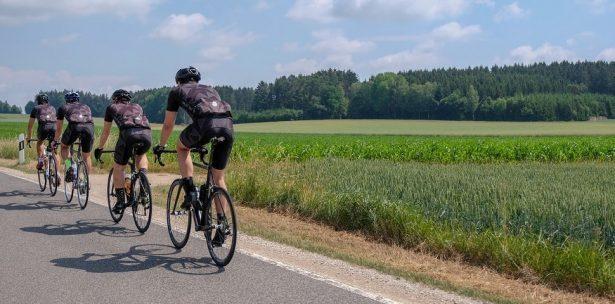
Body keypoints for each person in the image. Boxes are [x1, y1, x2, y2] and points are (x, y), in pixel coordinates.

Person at [153, 66, 233, 245]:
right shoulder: (211, 89)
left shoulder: (176, 91)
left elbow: (168, 125)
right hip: (227, 126)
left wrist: (161, 145)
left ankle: (190, 190)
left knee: (182, 148)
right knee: (218, 178)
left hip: (205, 126)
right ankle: (222, 226)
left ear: (178, 81)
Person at [94, 89, 152, 213]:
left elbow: (106, 132)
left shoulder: (111, 107)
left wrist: (100, 147)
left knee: (119, 168)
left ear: (115, 99)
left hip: (128, 134)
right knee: (141, 155)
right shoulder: (137, 106)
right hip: (147, 134)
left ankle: (120, 202)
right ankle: (144, 184)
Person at [53, 92, 95, 183]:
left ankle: (70, 167)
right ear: (77, 99)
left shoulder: (63, 107)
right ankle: (85, 182)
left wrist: (55, 141)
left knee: (64, 147)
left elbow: (59, 128)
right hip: (89, 128)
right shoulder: (86, 106)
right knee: (86, 156)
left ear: (67, 100)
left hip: (75, 127)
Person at [26, 93, 57, 171]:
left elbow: (30, 126)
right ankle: (57, 172)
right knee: (53, 149)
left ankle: (40, 161)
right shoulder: (52, 108)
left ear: (38, 101)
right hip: (54, 128)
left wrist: (28, 138)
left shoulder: (36, 108)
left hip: (43, 127)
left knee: (40, 143)